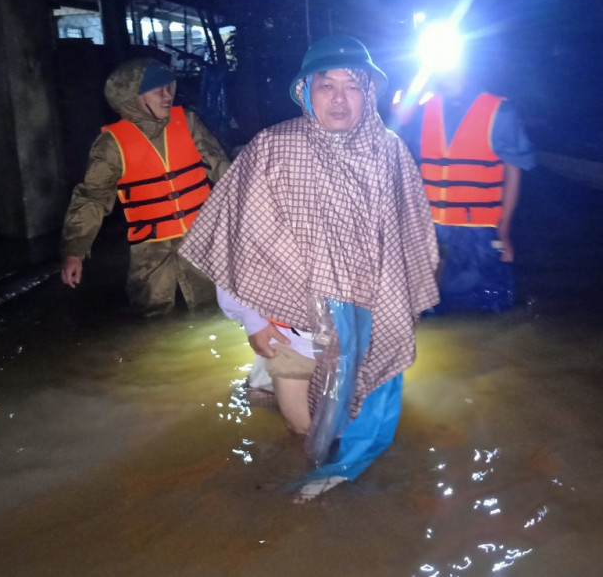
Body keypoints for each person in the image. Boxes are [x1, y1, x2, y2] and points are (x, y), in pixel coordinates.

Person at [179, 34, 439, 502]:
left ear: (370, 93)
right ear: (304, 91)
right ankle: (300, 506)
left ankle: (348, 509)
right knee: (306, 430)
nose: (340, 99)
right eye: (326, 85)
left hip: (366, 326)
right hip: (289, 326)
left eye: (353, 86)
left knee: (348, 419)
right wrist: (253, 322)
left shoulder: (391, 153)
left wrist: (402, 309)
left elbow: (410, 243)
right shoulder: (272, 150)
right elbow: (239, 245)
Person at [59, 57, 230, 317]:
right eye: (158, 90)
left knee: (216, 310)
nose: (168, 96)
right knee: (153, 318)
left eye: (170, 88)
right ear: (134, 96)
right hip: (151, 254)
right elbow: (92, 198)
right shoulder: (111, 144)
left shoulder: (189, 122)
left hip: (202, 244)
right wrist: (75, 251)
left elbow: (224, 170)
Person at [400, 65, 535, 312]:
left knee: (489, 310)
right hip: (431, 230)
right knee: (427, 310)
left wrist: (504, 230)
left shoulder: (500, 110)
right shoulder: (421, 111)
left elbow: (513, 171)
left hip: (480, 232)